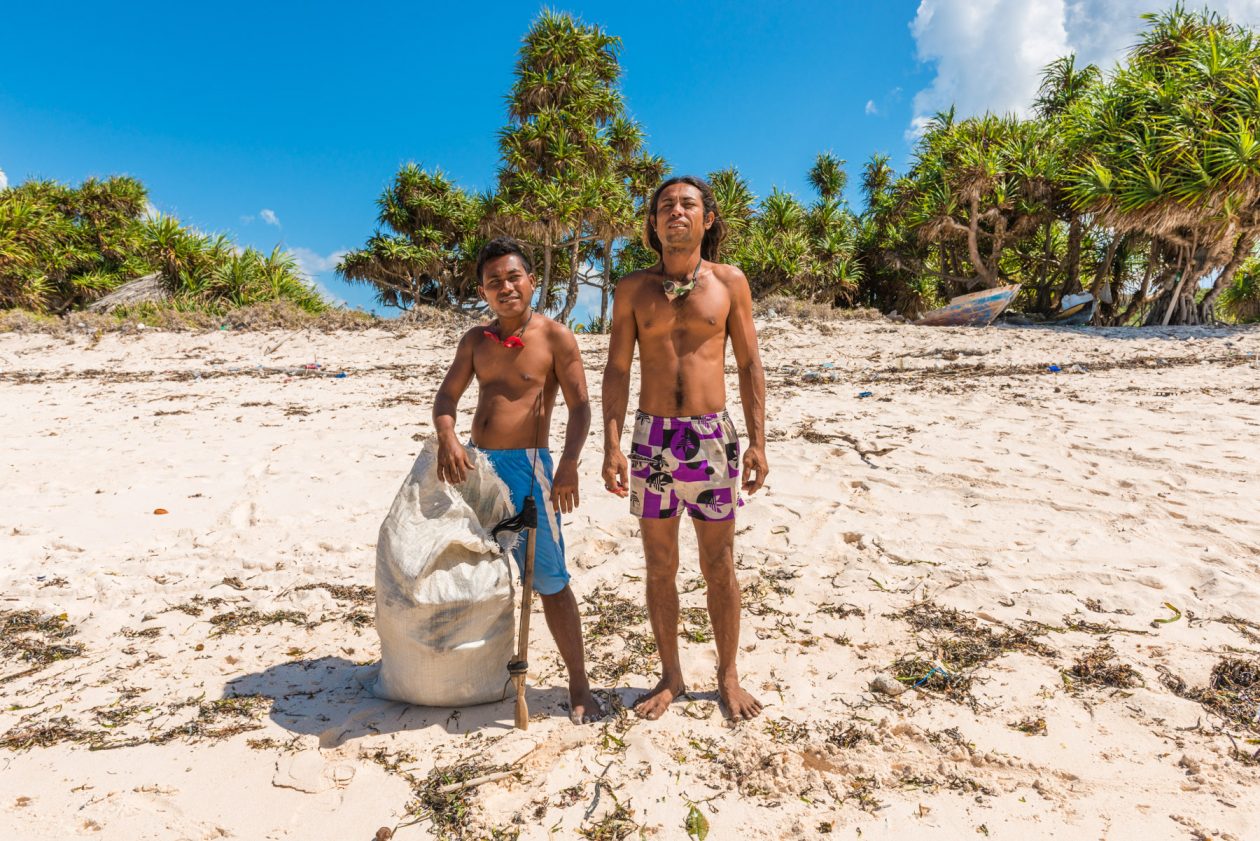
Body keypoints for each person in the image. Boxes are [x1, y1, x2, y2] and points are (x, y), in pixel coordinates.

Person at [601, 176, 769, 721]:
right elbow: (618, 369)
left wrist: (758, 442)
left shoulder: (729, 283)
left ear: (708, 219)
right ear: (652, 223)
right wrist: (611, 444)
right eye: (666, 206)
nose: (676, 212)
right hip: (651, 441)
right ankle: (670, 675)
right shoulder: (632, 289)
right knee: (659, 566)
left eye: (688, 204)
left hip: (711, 438)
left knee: (718, 562)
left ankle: (727, 675)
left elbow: (748, 366)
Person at [433, 237, 601, 724]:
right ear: (482, 291)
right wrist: (449, 438)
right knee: (474, 571)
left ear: (531, 281)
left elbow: (581, 406)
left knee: (550, 579)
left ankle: (579, 684)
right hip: (476, 468)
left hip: (529, 468)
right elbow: (446, 400)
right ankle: (471, 674)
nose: (505, 287)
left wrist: (567, 464)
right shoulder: (475, 342)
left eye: (513, 277)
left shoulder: (555, 336)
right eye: (493, 282)